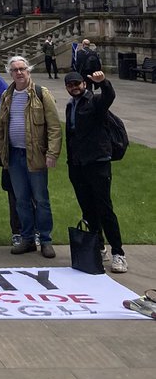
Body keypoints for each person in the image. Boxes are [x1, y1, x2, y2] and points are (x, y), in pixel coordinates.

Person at [0, 56, 61, 257]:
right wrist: (1, 151)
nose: (19, 73)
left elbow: (55, 126)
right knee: (21, 200)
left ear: (28, 71)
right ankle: (27, 238)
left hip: (36, 154)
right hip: (14, 155)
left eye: (22, 69)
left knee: (41, 199)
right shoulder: (7, 94)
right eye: (15, 70)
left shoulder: (41, 93)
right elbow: (0, 126)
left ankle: (46, 239)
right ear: (10, 73)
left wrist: (52, 153)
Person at [64, 69, 127, 273]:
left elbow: (109, 97)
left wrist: (104, 83)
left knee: (104, 208)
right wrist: (71, 162)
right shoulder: (70, 106)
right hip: (78, 164)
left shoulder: (95, 102)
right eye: (70, 85)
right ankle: (98, 246)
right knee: (88, 209)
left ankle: (118, 253)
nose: (74, 87)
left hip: (97, 162)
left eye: (77, 84)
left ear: (84, 84)